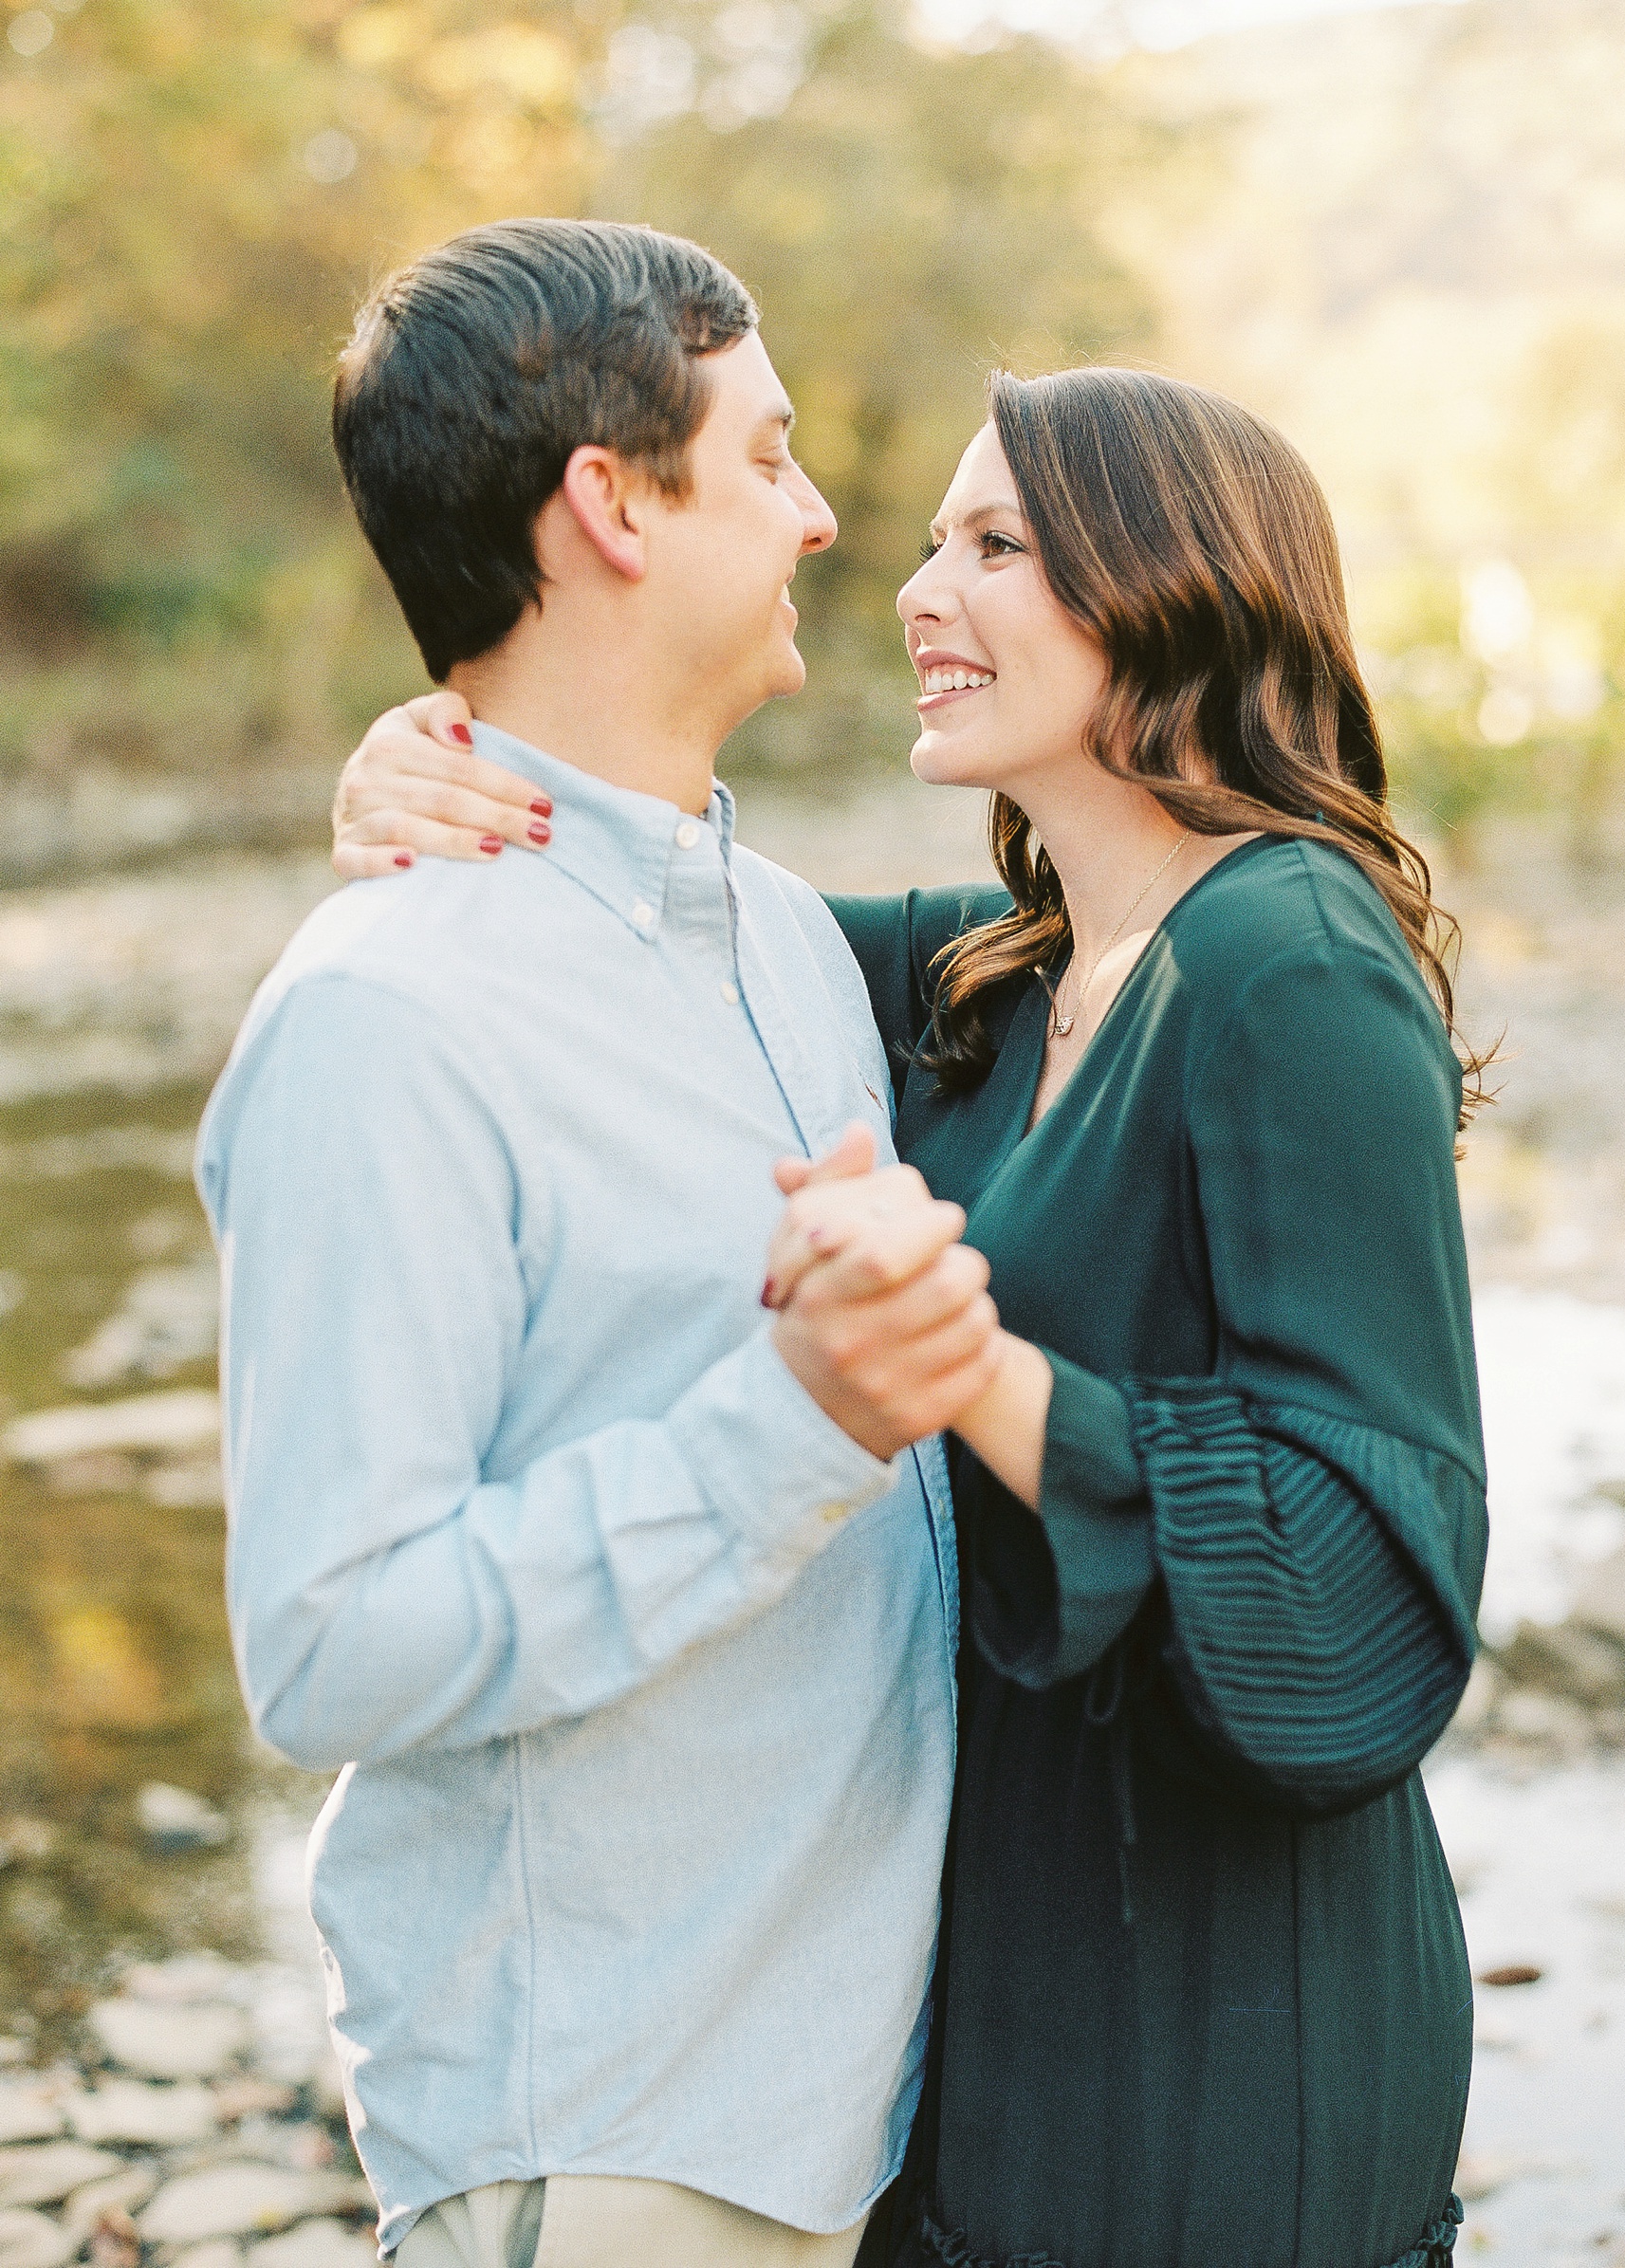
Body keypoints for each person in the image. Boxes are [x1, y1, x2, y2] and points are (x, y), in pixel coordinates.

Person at [333, 363, 1488, 2268]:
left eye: (996, 545)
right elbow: (652, 916)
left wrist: (968, 1366)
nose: (914, 590)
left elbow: (1379, 1578)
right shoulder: (991, 976)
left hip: (1219, 2031)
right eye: (936, 541)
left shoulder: (1292, 960)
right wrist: (434, 766)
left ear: (1171, 581)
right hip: (993, 1986)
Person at [199, 218, 1009, 2268]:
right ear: (611, 507)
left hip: (849, 2107)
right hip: (618, 2141)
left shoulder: (792, 949)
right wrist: (800, 1424)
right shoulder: (389, 1012)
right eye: (766, 458)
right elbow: (327, 1640)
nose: (824, 518)